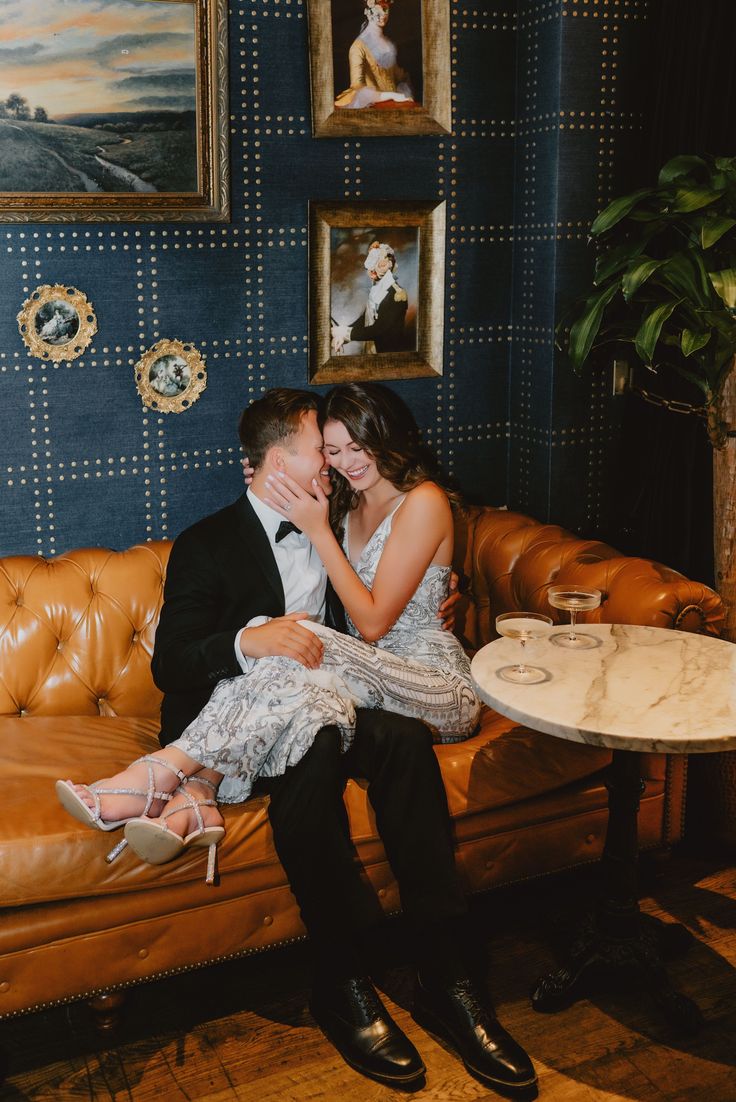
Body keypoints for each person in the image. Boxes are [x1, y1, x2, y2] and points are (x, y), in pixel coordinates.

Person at [56, 387, 536, 1094]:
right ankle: (341, 980)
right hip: (263, 714)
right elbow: (173, 662)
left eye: (346, 452)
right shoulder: (208, 541)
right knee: (309, 744)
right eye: (324, 452)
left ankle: (446, 973)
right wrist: (250, 640)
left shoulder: (336, 516)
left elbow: (380, 607)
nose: (337, 466)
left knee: (399, 739)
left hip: (352, 687)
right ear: (280, 462)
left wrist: (444, 597)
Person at [334, 0, 416, 110]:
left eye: (385, 9)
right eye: (377, 9)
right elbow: (357, 89)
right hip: (372, 109)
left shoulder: (388, 44)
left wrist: (406, 93)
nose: (383, 14)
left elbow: (400, 77)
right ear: (367, 12)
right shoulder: (358, 47)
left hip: (393, 107)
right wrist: (392, 95)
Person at [331, 241, 409, 354]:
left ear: (390, 264)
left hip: (387, 354)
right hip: (371, 348)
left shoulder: (398, 294)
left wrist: (346, 333)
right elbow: (365, 319)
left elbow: (379, 329)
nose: (373, 268)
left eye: (380, 263)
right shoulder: (376, 289)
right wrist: (343, 336)